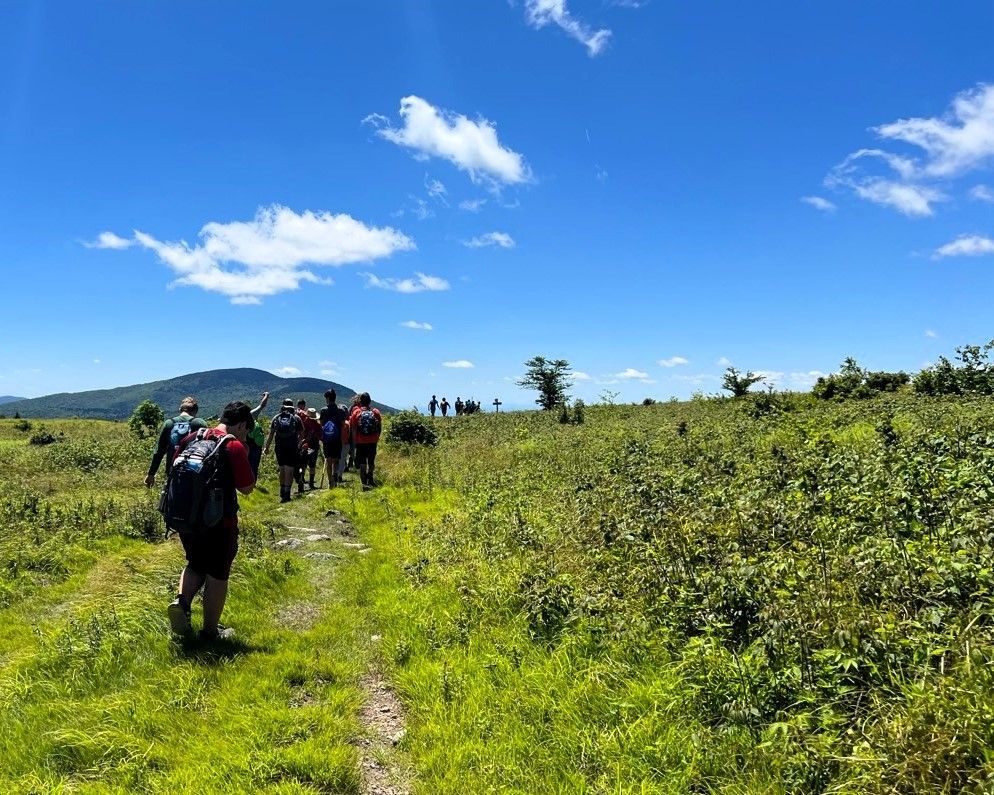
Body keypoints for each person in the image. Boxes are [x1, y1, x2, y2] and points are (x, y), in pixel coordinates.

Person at [167, 400, 256, 641]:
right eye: (246, 428)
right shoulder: (233, 445)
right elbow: (247, 487)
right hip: (220, 523)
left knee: (195, 563)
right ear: (240, 424)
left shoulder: (193, 437)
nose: (246, 433)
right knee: (218, 574)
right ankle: (209, 633)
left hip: (187, 519)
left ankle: (182, 602)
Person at [145, 396, 206, 488]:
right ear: (195, 410)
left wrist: (151, 474)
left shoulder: (168, 423)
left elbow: (159, 451)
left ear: (180, 409)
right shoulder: (200, 423)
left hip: (172, 470)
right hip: (195, 471)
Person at [263, 398, 304, 502]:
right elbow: (302, 433)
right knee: (289, 470)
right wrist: (298, 443)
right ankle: (287, 493)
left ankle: (282, 490)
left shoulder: (276, 418)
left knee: (282, 469)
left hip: (279, 447)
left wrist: (266, 447)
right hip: (292, 447)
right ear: (292, 406)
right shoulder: (296, 418)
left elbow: (271, 434)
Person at [349, 391, 382, 489]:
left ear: (360, 401)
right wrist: (376, 437)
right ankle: (370, 479)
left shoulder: (356, 412)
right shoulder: (375, 412)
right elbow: (379, 427)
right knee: (371, 462)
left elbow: (353, 429)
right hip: (372, 441)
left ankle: (364, 483)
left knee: (362, 463)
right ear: (370, 401)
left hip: (360, 441)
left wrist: (354, 442)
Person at [319, 389, 349, 487]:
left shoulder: (323, 410)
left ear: (327, 398)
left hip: (327, 439)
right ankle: (335, 476)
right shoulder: (340, 410)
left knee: (329, 460)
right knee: (336, 459)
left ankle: (331, 482)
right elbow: (343, 424)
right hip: (337, 439)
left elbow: (322, 424)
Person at [246, 391, 270, 477]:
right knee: (254, 465)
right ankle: (253, 483)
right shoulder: (251, 414)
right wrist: (266, 395)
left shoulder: (239, 417)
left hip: (245, 443)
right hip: (256, 444)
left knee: (245, 464)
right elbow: (262, 405)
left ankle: (243, 482)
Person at [301, 407, 322, 490]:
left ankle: (301, 482)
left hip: (304, 446)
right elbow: (320, 436)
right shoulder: (318, 425)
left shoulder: (304, 422)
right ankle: (311, 483)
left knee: (303, 465)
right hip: (314, 447)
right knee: (312, 466)